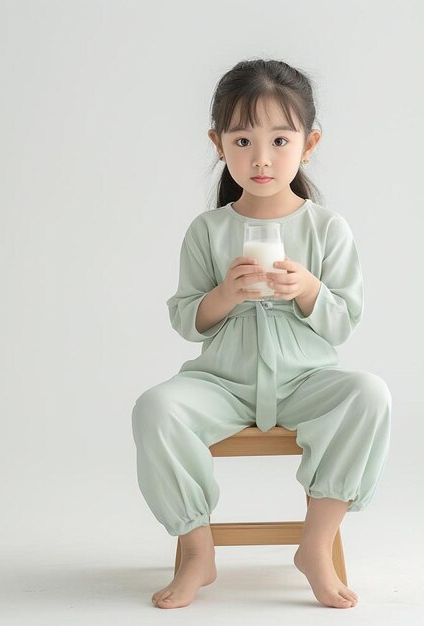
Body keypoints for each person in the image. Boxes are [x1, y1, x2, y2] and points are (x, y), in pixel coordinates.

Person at [131, 58, 392, 610]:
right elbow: (184, 319)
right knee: (156, 409)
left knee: (368, 394)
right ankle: (198, 550)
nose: (262, 157)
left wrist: (307, 289)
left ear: (309, 142)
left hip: (304, 382)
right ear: (218, 143)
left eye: (280, 139)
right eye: (243, 139)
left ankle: (314, 545)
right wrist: (224, 295)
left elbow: (345, 319)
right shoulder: (208, 230)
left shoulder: (327, 229)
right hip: (222, 383)